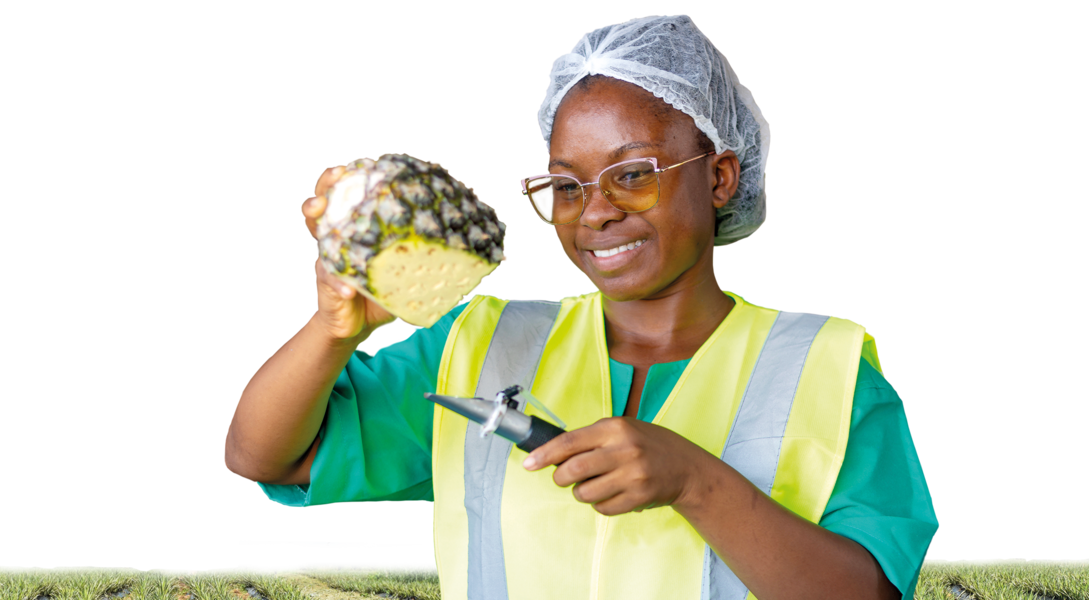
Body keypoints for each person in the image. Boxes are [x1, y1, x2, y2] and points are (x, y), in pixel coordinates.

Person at [223, 14, 938, 600]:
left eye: (633, 175)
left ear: (720, 176)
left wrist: (696, 481)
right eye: (565, 186)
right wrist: (335, 328)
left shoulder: (830, 371)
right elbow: (264, 456)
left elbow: (867, 595)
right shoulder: (478, 347)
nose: (594, 212)